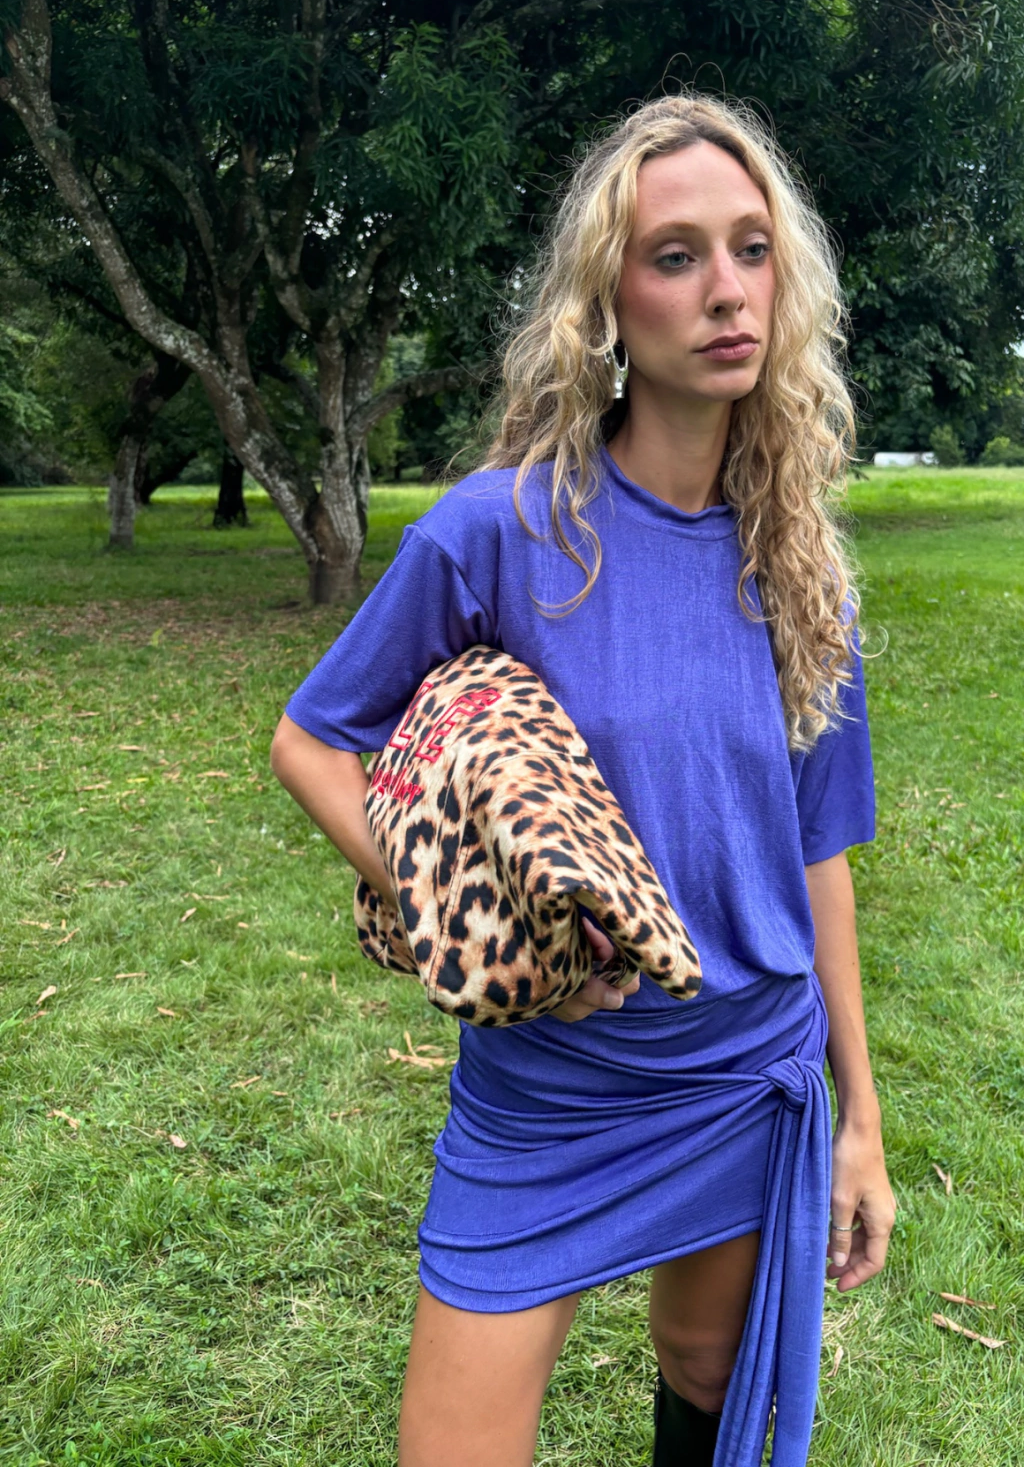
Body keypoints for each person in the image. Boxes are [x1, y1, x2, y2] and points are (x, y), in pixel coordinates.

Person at [271, 93, 897, 1467]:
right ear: (606, 302)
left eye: (750, 249)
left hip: (744, 1070)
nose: (725, 289)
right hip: (547, 1088)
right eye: (676, 255)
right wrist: (468, 915)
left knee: (707, 1376)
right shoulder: (499, 529)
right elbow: (312, 741)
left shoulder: (802, 568)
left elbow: (818, 854)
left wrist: (860, 1118)